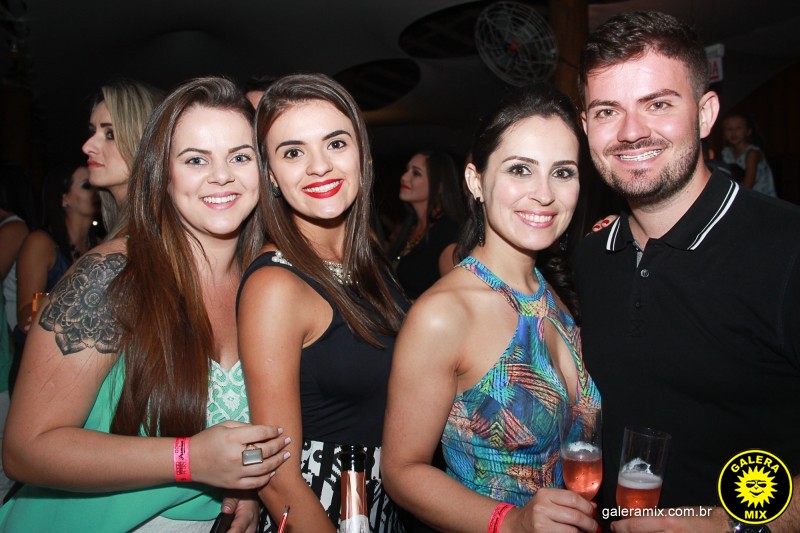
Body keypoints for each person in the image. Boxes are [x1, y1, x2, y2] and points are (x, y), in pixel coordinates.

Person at [0, 77, 291, 531]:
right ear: (162, 174)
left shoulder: (263, 283)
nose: (221, 175)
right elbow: (25, 450)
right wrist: (188, 459)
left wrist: (246, 487)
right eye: (196, 159)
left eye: (240, 157)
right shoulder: (112, 275)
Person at [575, 11, 800, 532]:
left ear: (705, 114)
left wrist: (736, 525)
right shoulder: (591, 258)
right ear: (586, 127)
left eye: (657, 104)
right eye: (607, 111)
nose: (632, 132)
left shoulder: (787, 249)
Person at [382, 83, 601, 533]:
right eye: (520, 169)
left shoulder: (553, 293)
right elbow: (402, 471)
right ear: (475, 180)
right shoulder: (445, 314)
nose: (544, 194)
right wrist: (511, 521)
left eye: (562, 172)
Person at [237, 73, 407, 532]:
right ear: (271, 175)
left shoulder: (368, 259)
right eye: (293, 152)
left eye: (335, 144)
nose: (319, 166)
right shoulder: (275, 286)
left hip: (382, 504)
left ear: (363, 156)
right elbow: (276, 476)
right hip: (321, 508)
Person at [82, 79, 163, 239]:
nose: (87, 146)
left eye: (110, 134)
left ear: (144, 143)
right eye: (92, 132)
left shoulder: (138, 241)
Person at [387, 150, 466, 300]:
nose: (404, 177)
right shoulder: (411, 227)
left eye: (416, 173)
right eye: (406, 170)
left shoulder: (446, 233)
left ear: (440, 186)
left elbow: (456, 300)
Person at [721, 112, 778, 196]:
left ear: (748, 131)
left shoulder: (752, 153)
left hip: (760, 197)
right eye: (729, 129)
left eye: (738, 128)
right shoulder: (726, 153)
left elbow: (748, 185)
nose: (733, 132)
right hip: (740, 194)